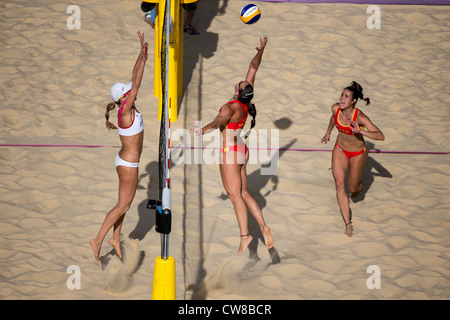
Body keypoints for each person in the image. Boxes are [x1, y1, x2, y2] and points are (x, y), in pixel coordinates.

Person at [192, 36, 274, 255]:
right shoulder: (245, 102)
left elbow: (219, 121)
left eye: (240, 84)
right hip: (243, 151)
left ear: (238, 92)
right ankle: (263, 227)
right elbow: (253, 68)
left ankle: (245, 237)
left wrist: (202, 130)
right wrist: (261, 50)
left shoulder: (230, 106)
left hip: (230, 152)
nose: (241, 81)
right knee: (244, 192)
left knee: (234, 195)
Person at [90, 31, 149, 261]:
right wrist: (144, 62)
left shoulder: (126, 106)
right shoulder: (125, 111)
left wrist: (141, 53)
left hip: (126, 161)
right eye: (128, 91)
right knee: (122, 206)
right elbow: (136, 83)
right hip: (127, 164)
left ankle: (116, 237)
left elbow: (133, 77)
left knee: (125, 204)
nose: (132, 90)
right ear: (124, 96)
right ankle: (98, 239)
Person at [321, 81, 385, 237]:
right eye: (342, 94)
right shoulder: (336, 108)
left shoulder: (360, 117)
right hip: (340, 149)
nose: (342, 98)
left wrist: (361, 132)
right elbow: (332, 118)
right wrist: (328, 131)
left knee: (352, 189)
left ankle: (360, 186)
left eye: (346, 96)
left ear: (353, 101)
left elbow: (380, 136)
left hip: (357, 153)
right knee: (339, 184)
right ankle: (348, 223)